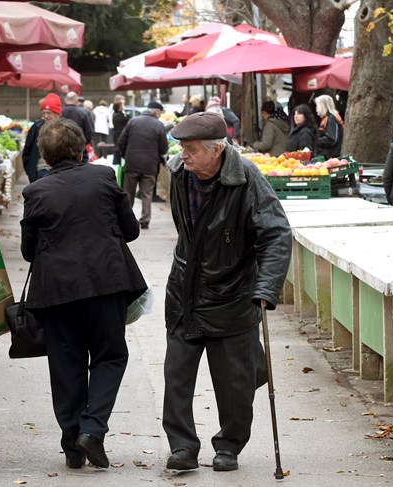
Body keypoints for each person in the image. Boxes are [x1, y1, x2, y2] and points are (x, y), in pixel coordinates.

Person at [162, 111, 292, 473]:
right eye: (181, 147)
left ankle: (230, 446)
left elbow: (276, 234)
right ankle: (182, 446)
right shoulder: (178, 172)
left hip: (232, 292)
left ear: (216, 150)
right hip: (185, 290)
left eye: (190, 149)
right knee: (177, 376)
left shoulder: (246, 178)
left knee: (235, 383)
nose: (182, 155)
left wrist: (266, 286)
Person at [20, 119, 147, 470]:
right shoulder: (104, 177)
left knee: (66, 367)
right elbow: (131, 231)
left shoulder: (36, 192)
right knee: (110, 356)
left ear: (44, 154)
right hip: (106, 284)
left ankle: (72, 448)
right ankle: (92, 430)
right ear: (82, 148)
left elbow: (29, 251)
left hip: (56, 293)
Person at [117, 101, 168, 229]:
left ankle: (126, 220)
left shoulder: (133, 122)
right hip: (150, 166)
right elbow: (163, 148)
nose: (160, 115)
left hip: (132, 164)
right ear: (156, 111)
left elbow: (121, 142)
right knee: (147, 193)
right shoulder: (159, 125)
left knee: (129, 193)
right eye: (160, 113)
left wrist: (126, 156)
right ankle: (145, 220)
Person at [22, 93, 62, 183]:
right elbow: (27, 151)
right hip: (40, 171)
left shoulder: (67, 127)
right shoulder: (36, 127)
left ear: (57, 113)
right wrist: (30, 172)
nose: (46, 116)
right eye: (43, 113)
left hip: (61, 172)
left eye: (49, 113)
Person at [62, 92, 93, 163]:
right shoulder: (83, 113)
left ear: (65, 100)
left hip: (62, 150)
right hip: (80, 149)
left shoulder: (59, 113)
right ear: (76, 100)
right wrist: (83, 143)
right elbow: (89, 132)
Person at [315, 94, 344, 158]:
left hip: (330, 156)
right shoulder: (331, 118)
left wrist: (316, 141)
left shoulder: (331, 119)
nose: (316, 108)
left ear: (323, 106)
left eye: (317, 106)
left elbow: (331, 139)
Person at [112, 98, 129, 166]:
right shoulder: (118, 115)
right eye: (121, 106)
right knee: (118, 149)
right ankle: (116, 163)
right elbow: (127, 120)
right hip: (119, 134)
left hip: (117, 133)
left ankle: (117, 163)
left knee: (118, 148)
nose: (123, 107)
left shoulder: (117, 114)